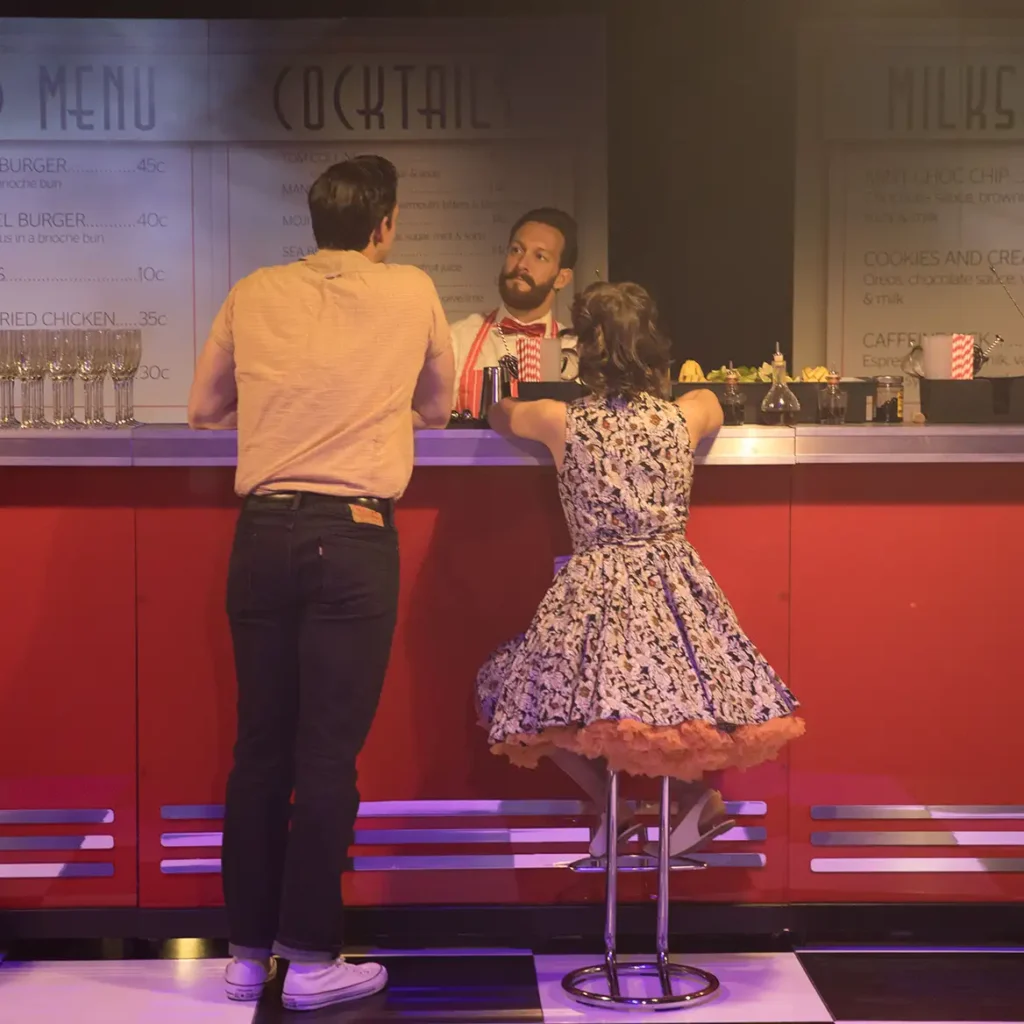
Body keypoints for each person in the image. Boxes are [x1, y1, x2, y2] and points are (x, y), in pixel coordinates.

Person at [187, 155, 454, 1012]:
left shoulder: (254, 290)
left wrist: (286, 409)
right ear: (384, 224)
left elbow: (203, 409)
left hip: (261, 532)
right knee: (327, 755)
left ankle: (244, 956)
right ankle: (309, 962)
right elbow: (440, 407)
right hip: (354, 532)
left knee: (259, 748)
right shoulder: (411, 289)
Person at [476, 281, 804, 858]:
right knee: (674, 703)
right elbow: (713, 402)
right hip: (674, 589)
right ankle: (692, 802)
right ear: (656, 346)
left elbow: (499, 414)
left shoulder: (560, 419)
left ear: (586, 350)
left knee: (515, 692)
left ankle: (615, 807)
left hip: (594, 592)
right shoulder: (685, 415)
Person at [451, 207, 579, 413]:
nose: (521, 264)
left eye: (540, 256)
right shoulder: (459, 339)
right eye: (516, 250)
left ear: (561, 278)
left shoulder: (572, 351)